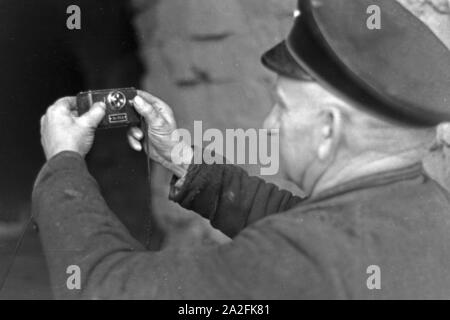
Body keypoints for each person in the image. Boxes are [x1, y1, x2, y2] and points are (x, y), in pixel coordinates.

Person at [33, 0, 450, 299]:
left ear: (328, 128)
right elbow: (301, 218)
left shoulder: (295, 263)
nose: (270, 123)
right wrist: (183, 158)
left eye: (282, 107)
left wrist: (64, 163)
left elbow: (103, 288)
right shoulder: (427, 207)